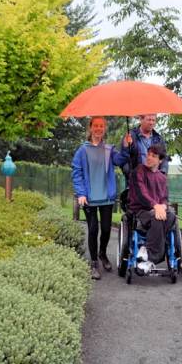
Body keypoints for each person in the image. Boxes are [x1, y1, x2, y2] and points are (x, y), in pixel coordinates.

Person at [71, 116, 119, 280]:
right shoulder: (82, 151)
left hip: (106, 197)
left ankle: (102, 254)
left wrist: (127, 145)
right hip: (89, 198)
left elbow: (121, 160)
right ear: (90, 128)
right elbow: (76, 173)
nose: (99, 128)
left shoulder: (109, 149)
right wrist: (81, 193)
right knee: (93, 229)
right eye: (96, 126)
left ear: (104, 129)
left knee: (106, 229)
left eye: (102, 126)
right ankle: (93, 263)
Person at [128, 143, 177, 274]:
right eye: (148, 154)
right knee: (158, 218)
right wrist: (155, 206)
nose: (149, 158)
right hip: (140, 210)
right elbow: (141, 194)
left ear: (160, 160)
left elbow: (165, 198)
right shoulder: (138, 171)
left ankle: (146, 253)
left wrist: (163, 206)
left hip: (156, 211)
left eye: (153, 156)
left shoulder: (162, 177)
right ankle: (153, 257)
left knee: (171, 216)